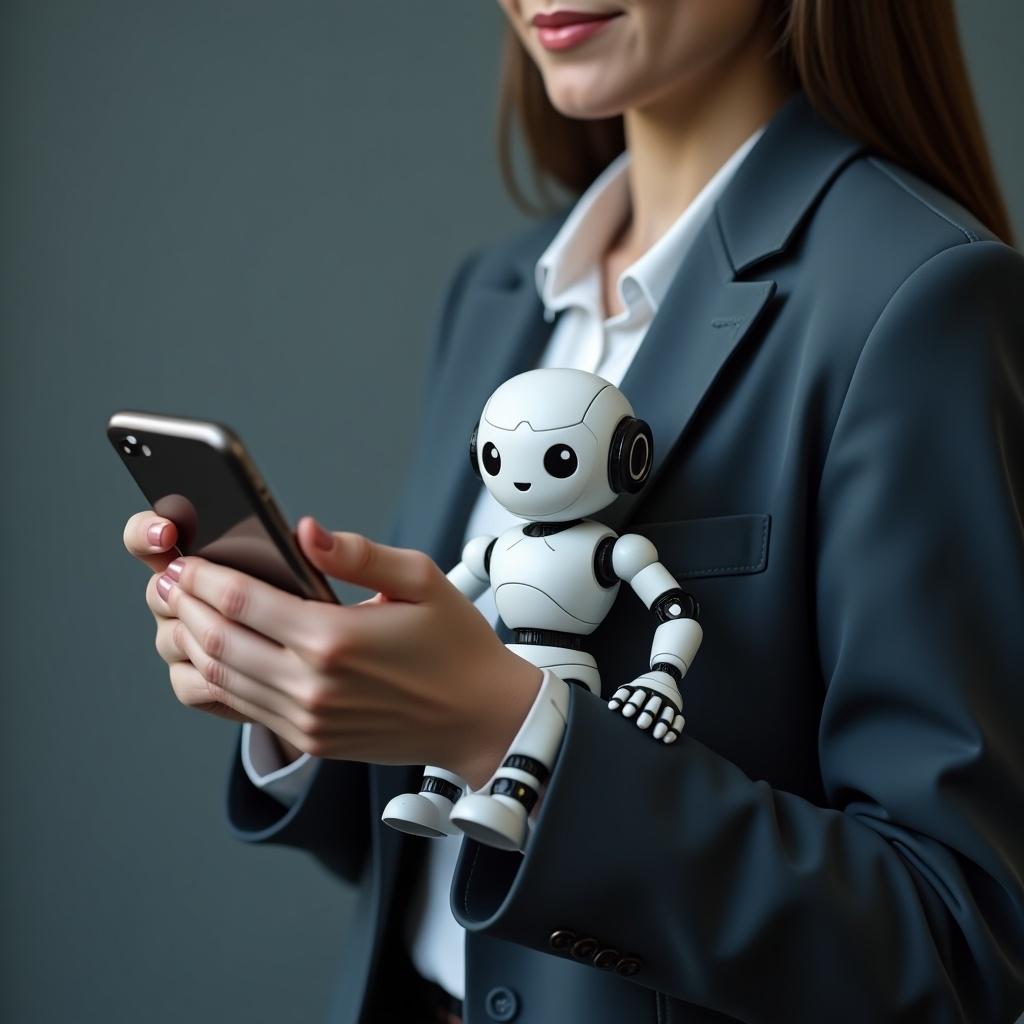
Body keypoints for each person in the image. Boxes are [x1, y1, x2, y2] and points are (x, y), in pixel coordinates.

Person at [122, 1, 1024, 1021]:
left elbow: (956, 949)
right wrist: (296, 694)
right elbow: (425, 871)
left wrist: (507, 728)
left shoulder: (917, 302)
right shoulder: (500, 291)